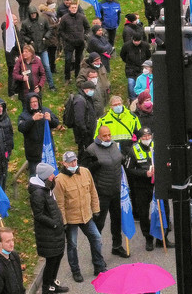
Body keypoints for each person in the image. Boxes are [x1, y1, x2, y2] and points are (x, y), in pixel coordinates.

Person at [79, 126, 130, 258]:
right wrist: (95, 165)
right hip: (101, 192)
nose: (108, 138)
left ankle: (117, 246)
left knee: (117, 220)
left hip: (116, 190)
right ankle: (96, 253)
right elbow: (84, 170)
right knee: (99, 223)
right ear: (99, 136)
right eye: (105, 136)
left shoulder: (114, 145)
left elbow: (120, 160)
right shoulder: (91, 150)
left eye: (109, 135)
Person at [54, 151, 104, 282]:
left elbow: (93, 191)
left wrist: (96, 209)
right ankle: (75, 271)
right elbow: (60, 204)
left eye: (75, 160)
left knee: (97, 238)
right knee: (73, 245)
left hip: (86, 216)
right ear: (64, 163)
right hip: (71, 219)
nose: (73, 163)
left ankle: (98, 266)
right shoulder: (59, 180)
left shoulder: (85, 172)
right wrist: (63, 222)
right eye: (70, 162)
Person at [28, 163, 69, 294]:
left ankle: (53, 282)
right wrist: (54, 224)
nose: (54, 176)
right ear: (45, 177)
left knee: (58, 256)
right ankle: (47, 287)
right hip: (48, 233)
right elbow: (38, 215)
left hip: (55, 231)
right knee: (51, 260)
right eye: (52, 174)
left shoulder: (47, 188)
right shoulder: (38, 193)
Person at [124, 128, 161, 251]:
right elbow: (129, 169)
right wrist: (145, 173)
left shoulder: (157, 146)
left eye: (149, 135)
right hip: (142, 185)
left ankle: (162, 237)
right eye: (144, 136)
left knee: (161, 210)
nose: (147, 138)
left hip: (157, 185)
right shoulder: (133, 150)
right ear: (140, 138)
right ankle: (148, 238)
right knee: (144, 213)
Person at [17, 93, 59, 176]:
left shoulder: (46, 110)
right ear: (28, 104)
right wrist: (32, 119)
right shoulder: (24, 115)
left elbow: (56, 123)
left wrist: (50, 119)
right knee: (35, 177)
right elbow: (21, 128)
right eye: (32, 102)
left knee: (50, 177)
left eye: (36, 101)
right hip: (33, 154)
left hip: (47, 151)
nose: (35, 103)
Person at [20, 5, 55, 91]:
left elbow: (50, 29)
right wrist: (29, 41)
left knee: (46, 66)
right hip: (32, 50)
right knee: (33, 69)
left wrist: (45, 37)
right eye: (31, 14)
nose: (33, 15)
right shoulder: (25, 23)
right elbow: (22, 34)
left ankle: (51, 85)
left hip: (43, 48)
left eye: (34, 13)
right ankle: (35, 85)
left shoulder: (43, 20)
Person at [58, 2, 89, 84]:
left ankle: (77, 76)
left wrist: (84, 36)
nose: (74, 9)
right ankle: (67, 77)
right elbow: (60, 31)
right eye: (72, 7)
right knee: (68, 60)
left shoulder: (82, 17)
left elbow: (87, 27)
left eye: (75, 7)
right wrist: (66, 38)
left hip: (80, 42)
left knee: (78, 60)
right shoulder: (64, 18)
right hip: (69, 43)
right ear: (69, 8)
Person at [0, 227, 25, 294]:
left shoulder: (14, 255)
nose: (12, 244)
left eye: (12, 240)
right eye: (8, 241)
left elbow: (20, 281)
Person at [119, 34, 152, 101]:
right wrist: (128, 62)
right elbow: (122, 55)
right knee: (131, 83)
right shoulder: (126, 45)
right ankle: (132, 99)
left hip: (141, 68)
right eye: (135, 41)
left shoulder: (145, 46)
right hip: (130, 68)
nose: (136, 43)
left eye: (138, 41)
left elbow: (148, 55)